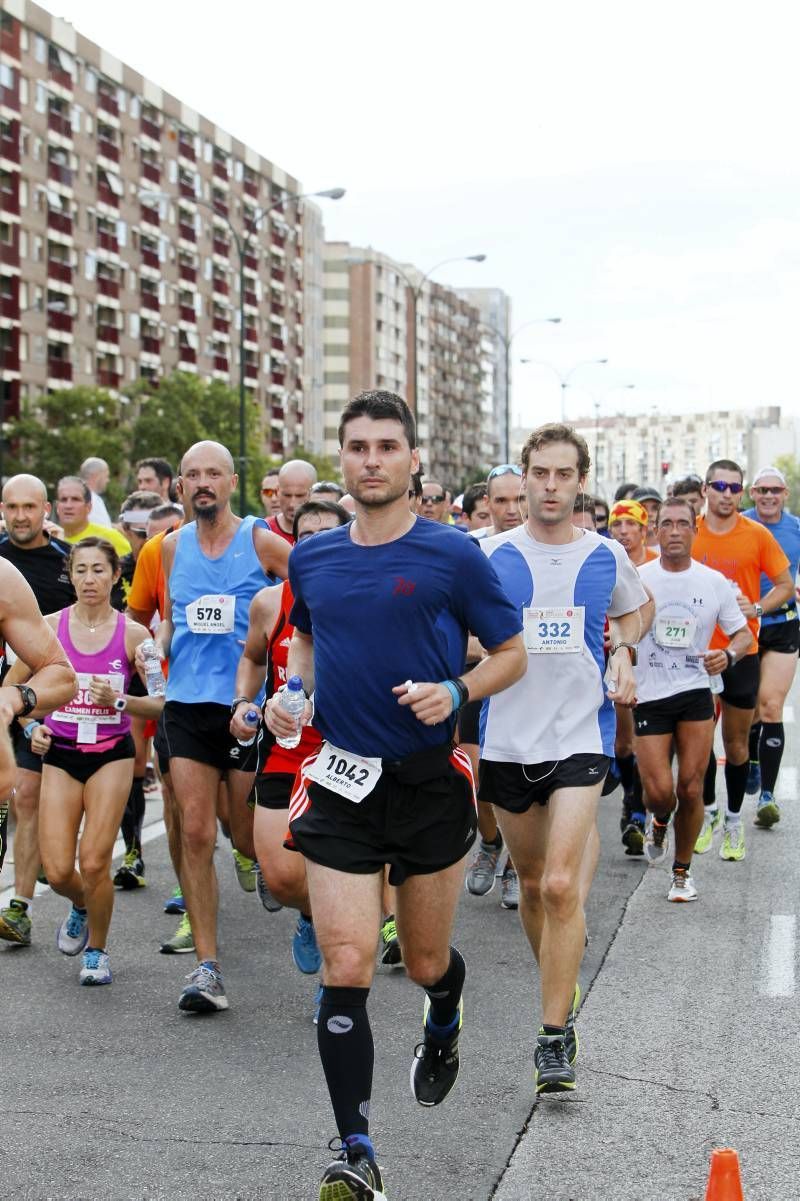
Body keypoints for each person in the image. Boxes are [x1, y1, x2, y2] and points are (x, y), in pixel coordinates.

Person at [266, 390, 525, 1199]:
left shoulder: (452, 554)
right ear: (342, 459)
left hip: (426, 782)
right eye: (357, 446)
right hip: (341, 777)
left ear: (413, 459)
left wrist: (457, 688)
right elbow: (304, 634)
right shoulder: (312, 557)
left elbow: (511, 653)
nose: (371, 459)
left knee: (420, 961)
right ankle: (356, 1149)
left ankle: (443, 1012)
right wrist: (291, 690)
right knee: (345, 962)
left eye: (386, 446)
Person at [479, 423, 650, 1097]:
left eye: (563, 474)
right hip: (507, 739)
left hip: (582, 734)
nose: (550, 486)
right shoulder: (488, 554)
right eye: (539, 473)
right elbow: (457, 627)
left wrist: (624, 649)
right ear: (523, 477)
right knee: (528, 883)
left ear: (580, 481)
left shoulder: (606, 554)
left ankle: (554, 1036)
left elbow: (637, 610)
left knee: (558, 885)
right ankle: (560, 968)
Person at [152, 440, 290, 1012]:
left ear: (233, 481)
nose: (203, 483)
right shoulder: (169, 548)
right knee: (194, 832)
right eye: (192, 475)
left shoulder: (260, 540)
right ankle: (206, 967)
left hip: (244, 709)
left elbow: (306, 589)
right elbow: (171, 619)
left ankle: (274, 877)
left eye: (213, 473)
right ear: (179, 487)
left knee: (241, 830)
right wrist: (153, 645)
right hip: (185, 705)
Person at [9, 538, 163, 985]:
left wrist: (119, 700)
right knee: (57, 870)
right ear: (69, 575)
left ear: (116, 576)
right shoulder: (47, 628)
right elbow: (12, 691)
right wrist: (28, 728)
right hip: (60, 752)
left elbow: (161, 703)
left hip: (111, 755)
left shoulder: (136, 635)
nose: (89, 579)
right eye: (81, 570)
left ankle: (96, 950)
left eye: (99, 570)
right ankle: (80, 904)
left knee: (94, 861)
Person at [230, 500, 350, 1003]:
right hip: (286, 746)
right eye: (306, 536)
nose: (316, 544)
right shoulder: (269, 602)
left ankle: (335, 976)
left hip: (348, 753)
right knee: (279, 876)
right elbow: (254, 660)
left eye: (328, 533)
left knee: (337, 871)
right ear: (292, 543)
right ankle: (306, 913)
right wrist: (242, 702)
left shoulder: (363, 596)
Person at [634, 498, 752, 901]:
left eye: (683, 524)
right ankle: (660, 819)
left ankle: (681, 874)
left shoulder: (713, 582)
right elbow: (615, 626)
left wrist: (729, 655)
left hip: (696, 692)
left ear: (694, 530)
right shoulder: (637, 577)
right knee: (659, 793)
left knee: (691, 788)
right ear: (656, 531)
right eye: (666, 524)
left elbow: (744, 634)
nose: (674, 532)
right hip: (648, 695)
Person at [692, 459, 794, 860]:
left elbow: (785, 584)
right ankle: (709, 814)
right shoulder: (690, 532)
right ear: (705, 489)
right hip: (694, 657)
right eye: (720, 485)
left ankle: (734, 822)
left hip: (740, 653)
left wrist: (756, 608)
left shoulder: (756, 535)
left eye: (736, 487)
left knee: (735, 746)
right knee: (698, 746)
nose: (728, 494)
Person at [0, 474, 76, 946]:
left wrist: (18, 697)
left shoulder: (49, 569)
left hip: (26, 705)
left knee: (25, 797)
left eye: (31, 506)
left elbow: (59, 668)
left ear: (45, 509)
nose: (21, 516)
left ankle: (23, 902)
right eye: (13, 506)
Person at [463, 463, 525, 907]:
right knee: (478, 773)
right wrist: (481, 649)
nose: (510, 509)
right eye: (500, 500)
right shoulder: (472, 549)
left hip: (531, 682)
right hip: (482, 676)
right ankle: (489, 843)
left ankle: (516, 867)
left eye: (517, 499)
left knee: (522, 776)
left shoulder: (552, 546)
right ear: (486, 503)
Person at [741, 466, 800, 826]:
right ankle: (752, 757)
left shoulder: (795, 528)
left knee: (771, 705)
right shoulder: (740, 524)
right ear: (752, 493)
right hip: (744, 626)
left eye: (774, 490)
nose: (768, 496)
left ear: (785, 495)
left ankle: (767, 795)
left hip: (782, 625)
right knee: (748, 708)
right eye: (761, 490)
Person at [608, 498, 657, 851]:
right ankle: (631, 799)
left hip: (659, 671)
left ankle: (642, 812)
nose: (624, 532)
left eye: (631, 526)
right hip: (621, 666)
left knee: (648, 742)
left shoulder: (658, 566)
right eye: (617, 525)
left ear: (644, 530)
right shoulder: (607, 561)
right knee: (625, 743)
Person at [56, 477, 131, 559]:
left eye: (75, 499)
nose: (68, 506)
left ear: (88, 507)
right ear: (57, 507)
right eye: (63, 500)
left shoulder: (111, 538)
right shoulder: (50, 539)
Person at [265, 460, 318, 547]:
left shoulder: (328, 531)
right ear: (278, 491)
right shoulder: (264, 530)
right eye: (287, 495)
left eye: (300, 495)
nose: (292, 504)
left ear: (314, 492)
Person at [80, 457, 112, 527]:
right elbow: (103, 530)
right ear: (97, 475)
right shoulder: (91, 499)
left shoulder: (90, 498)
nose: (108, 480)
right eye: (106, 476)